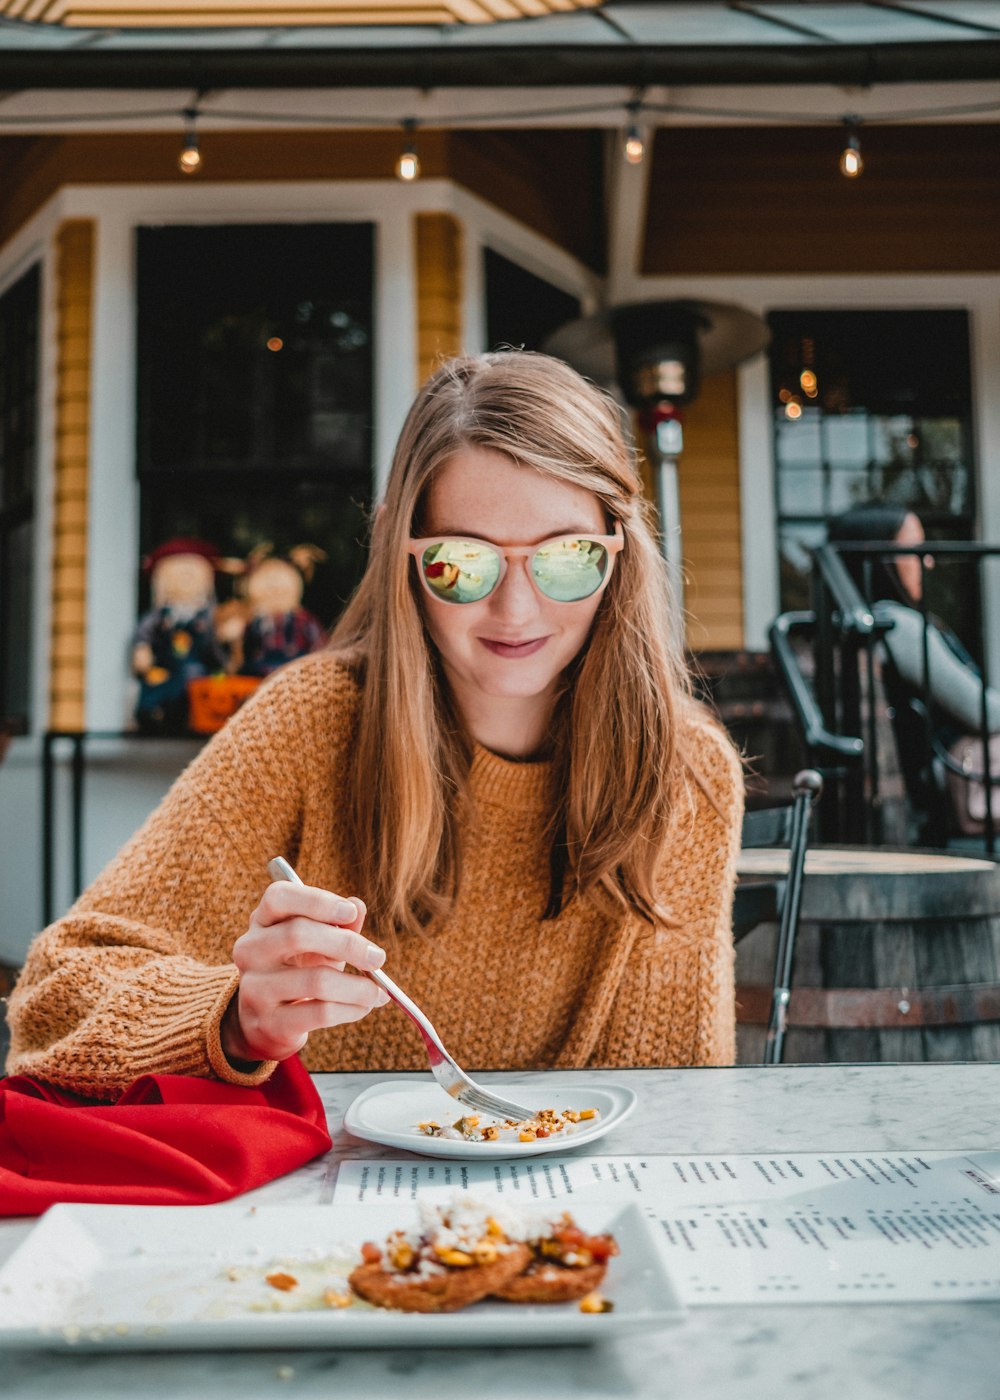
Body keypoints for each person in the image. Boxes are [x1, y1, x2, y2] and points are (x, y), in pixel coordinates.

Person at [7, 352, 743, 1100]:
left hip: (568, 1211)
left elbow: (675, 1110)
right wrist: (228, 1022)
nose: (517, 610)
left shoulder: (684, 776)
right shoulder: (310, 725)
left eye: (568, 559)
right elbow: (50, 1004)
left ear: (620, 552)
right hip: (314, 1205)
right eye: (461, 564)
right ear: (400, 549)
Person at [826, 502, 1000, 739]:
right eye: (916, 547)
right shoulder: (896, 626)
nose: (927, 561)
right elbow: (985, 713)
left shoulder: (858, 627)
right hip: (960, 763)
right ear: (881, 557)